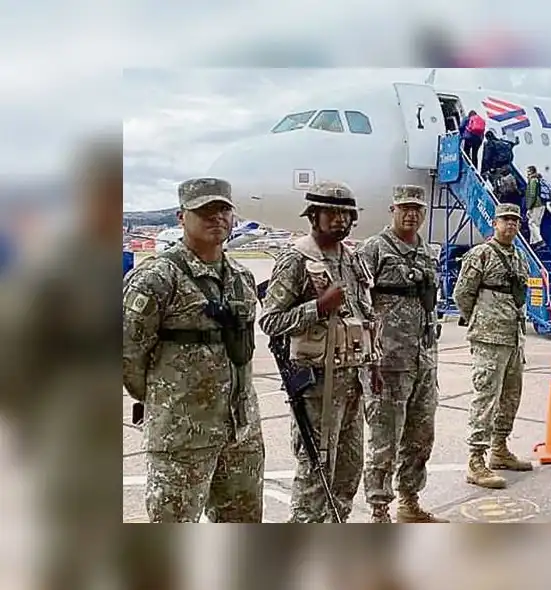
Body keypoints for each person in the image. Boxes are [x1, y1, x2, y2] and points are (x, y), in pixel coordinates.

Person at [123, 177, 264, 522]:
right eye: (204, 210)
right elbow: (127, 352)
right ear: (181, 216)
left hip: (241, 432)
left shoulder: (242, 277)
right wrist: (162, 400)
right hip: (182, 436)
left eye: (223, 209)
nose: (216, 217)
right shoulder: (158, 277)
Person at [258, 181, 382, 522]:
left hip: (352, 381)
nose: (341, 220)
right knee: (315, 476)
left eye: (347, 214)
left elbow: (365, 315)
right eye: (332, 213)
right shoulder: (296, 260)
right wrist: (318, 307)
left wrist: (375, 364)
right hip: (316, 389)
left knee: (348, 472)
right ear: (313, 216)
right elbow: (270, 321)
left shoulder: (353, 260)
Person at [357, 185, 448, 523]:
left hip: (423, 359)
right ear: (392, 209)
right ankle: (379, 511)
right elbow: (356, 301)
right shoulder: (374, 250)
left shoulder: (425, 251)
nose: (412, 214)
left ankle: (409, 501)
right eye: (405, 208)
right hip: (388, 361)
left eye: (418, 209)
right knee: (384, 440)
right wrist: (370, 351)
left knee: (421, 435)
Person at [452, 203, 534, 489]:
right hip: (489, 337)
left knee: (511, 396)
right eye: (505, 220)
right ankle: (476, 459)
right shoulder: (481, 254)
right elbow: (462, 293)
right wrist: (480, 319)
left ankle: (500, 449)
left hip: (514, 336)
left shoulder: (519, 257)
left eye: (515, 220)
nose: (510, 224)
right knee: (486, 397)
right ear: (495, 223)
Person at [523, 165, 549, 246]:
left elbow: (532, 194)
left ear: (531, 171)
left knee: (531, 223)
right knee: (536, 224)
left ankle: (540, 241)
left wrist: (529, 207)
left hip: (536, 205)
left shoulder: (533, 180)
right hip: (542, 204)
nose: (527, 174)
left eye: (528, 171)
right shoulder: (539, 179)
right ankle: (533, 242)